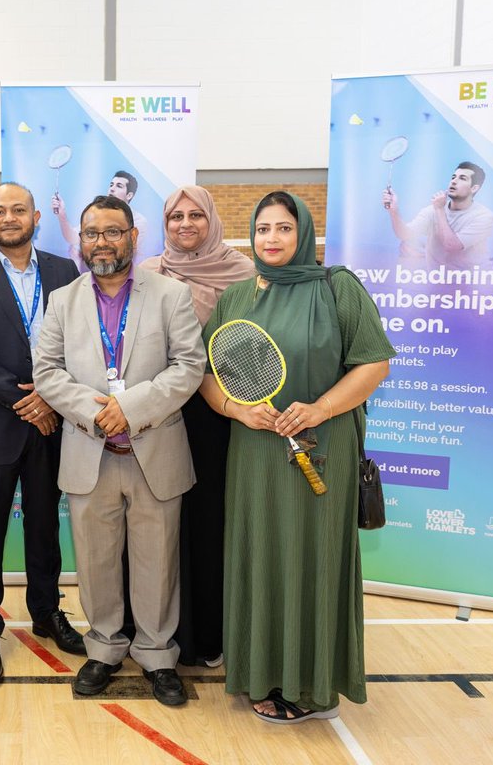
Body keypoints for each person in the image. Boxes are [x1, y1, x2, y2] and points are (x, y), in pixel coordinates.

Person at [199, 191, 393, 724]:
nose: (272, 239)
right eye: (263, 229)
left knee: (314, 557)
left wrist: (320, 410)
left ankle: (310, 683)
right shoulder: (235, 299)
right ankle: (259, 672)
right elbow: (206, 376)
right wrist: (237, 411)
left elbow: (375, 363)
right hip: (256, 455)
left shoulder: (338, 288)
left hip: (323, 449)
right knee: (260, 553)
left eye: (284, 228)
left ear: (303, 233)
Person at [33, 194, 205, 706]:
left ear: (133, 237)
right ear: (80, 240)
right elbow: (46, 371)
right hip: (90, 455)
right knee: (96, 562)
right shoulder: (62, 300)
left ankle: (156, 656)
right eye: (92, 233)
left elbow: (189, 366)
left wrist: (128, 406)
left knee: (157, 564)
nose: (102, 242)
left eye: (113, 232)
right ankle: (105, 648)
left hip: (156, 453)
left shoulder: (171, 295)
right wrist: (97, 409)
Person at [0, 182, 84, 685]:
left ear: (35, 217)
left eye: (18, 209)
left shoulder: (64, 271)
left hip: (54, 424)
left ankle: (47, 612)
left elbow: (80, 342)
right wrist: (24, 399)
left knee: (46, 527)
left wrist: (51, 396)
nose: (9, 217)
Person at [138, 185, 255, 668]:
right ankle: (148, 631)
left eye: (195, 216)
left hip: (214, 416)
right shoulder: (146, 273)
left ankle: (205, 633)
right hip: (155, 413)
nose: (185, 224)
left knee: (206, 524)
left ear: (212, 220)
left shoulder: (243, 275)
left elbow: (249, 347)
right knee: (152, 529)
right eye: (175, 217)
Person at [383, 161, 493, 268]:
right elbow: (405, 234)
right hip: (439, 280)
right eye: (453, 177)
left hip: (475, 281)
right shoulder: (432, 210)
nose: (454, 181)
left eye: (462, 178)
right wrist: (394, 210)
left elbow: (452, 246)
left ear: (474, 188)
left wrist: (440, 210)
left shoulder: (484, 216)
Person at [52, 170, 149, 271]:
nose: (112, 189)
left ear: (129, 195)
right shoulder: (96, 213)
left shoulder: (139, 221)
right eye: (111, 185)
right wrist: (62, 215)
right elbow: (73, 238)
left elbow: (123, 253)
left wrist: (85, 251)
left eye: (119, 186)